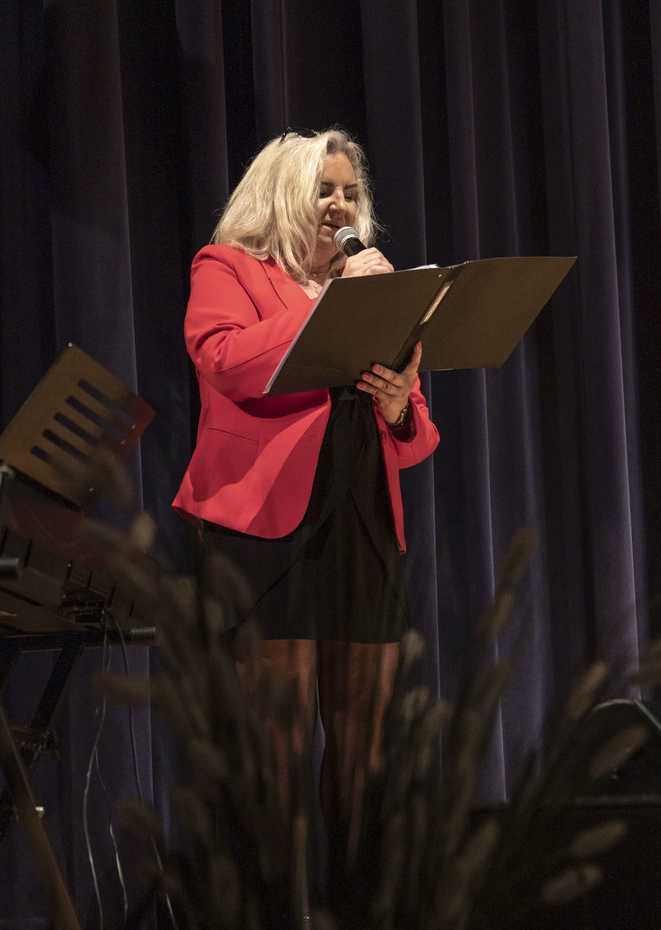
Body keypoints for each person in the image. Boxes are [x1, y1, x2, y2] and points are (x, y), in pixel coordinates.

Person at [173, 127, 439, 875]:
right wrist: (332, 306)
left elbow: (418, 436)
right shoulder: (227, 267)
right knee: (276, 754)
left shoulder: (370, 289)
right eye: (323, 190)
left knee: (365, 754)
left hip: (363, 521)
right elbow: (225, 360)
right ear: (281, 195)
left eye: (350, 193)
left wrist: (398, 407)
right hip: (266, 529)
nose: (339, 205)